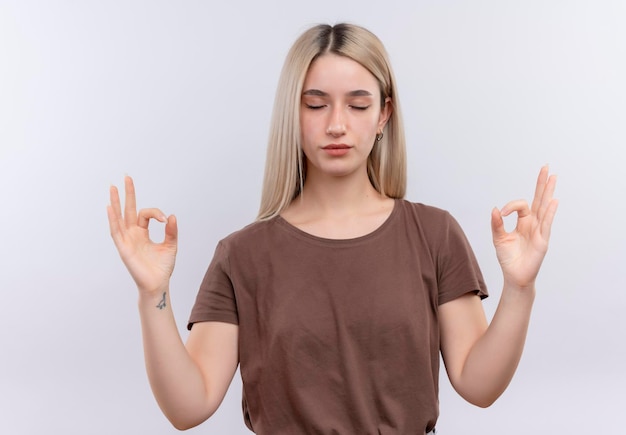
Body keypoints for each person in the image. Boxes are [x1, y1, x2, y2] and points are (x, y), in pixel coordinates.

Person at [107, 23, 558, 435]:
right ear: (293, 114)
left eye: (358, 104)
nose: (336, 124)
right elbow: (188, 406)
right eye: (316, 104)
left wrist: (520, 289)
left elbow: (479, 385)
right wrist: (153, 296)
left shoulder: (434, 235)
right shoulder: (241, 255)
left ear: (383, 115)